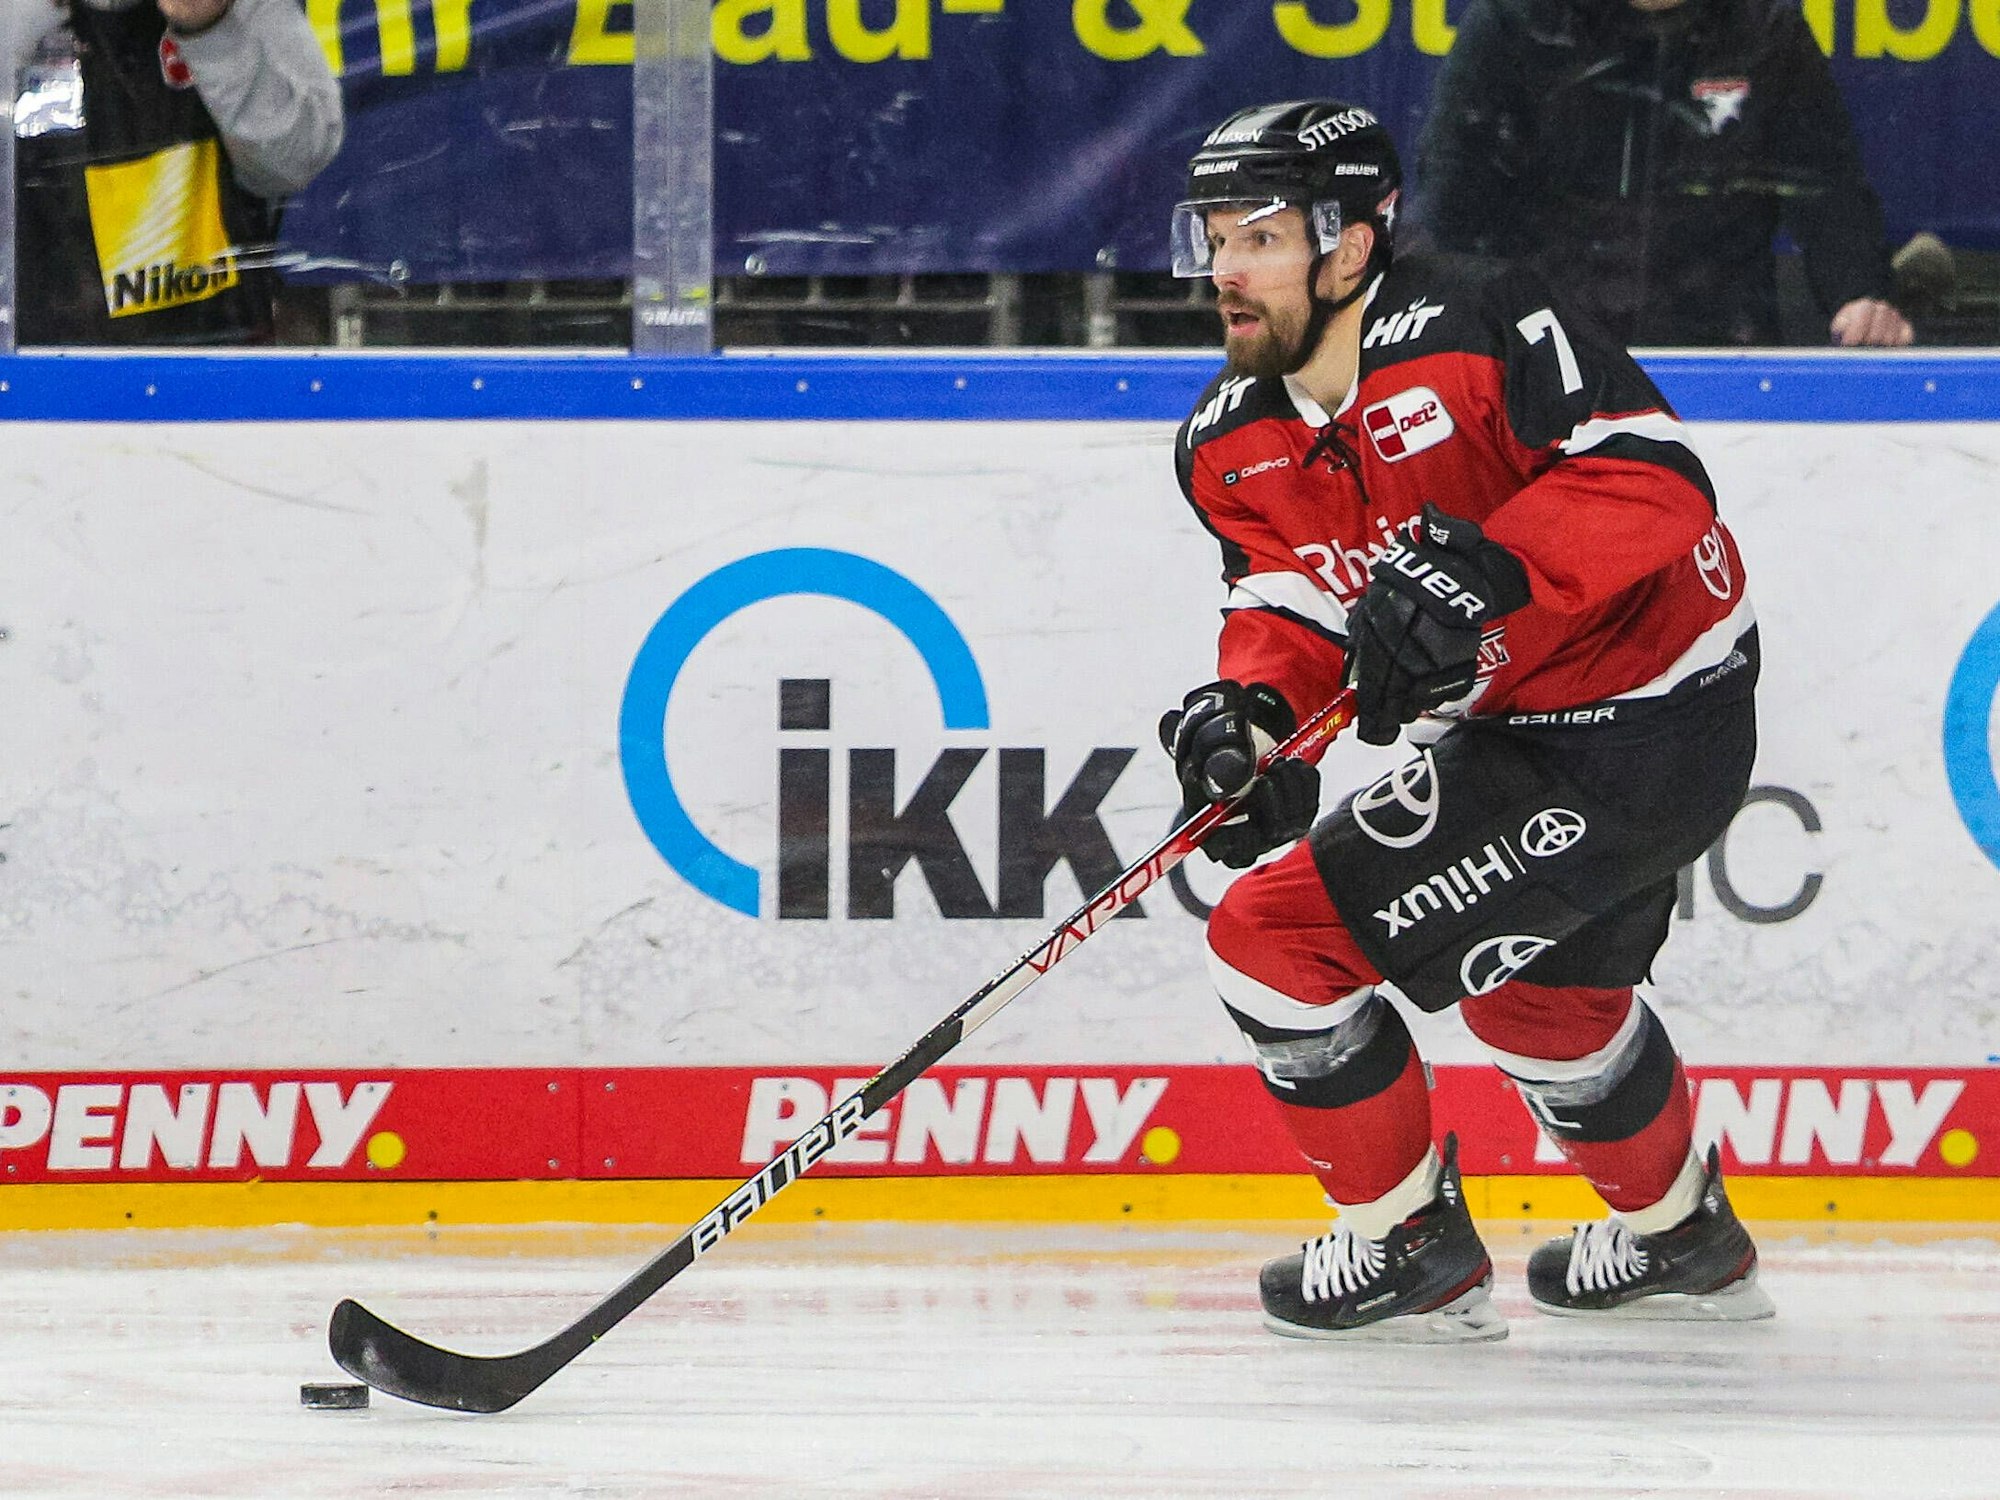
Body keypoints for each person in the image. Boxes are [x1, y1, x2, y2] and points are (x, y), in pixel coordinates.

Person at [1161, 98, 1774, 1340]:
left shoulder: (1477, 323)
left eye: (1259, 236)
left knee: (1268, 942)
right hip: (1545, 731)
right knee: (1537, 1006)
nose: (1223, 269)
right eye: (1213, 236)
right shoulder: (1228, 441)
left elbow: (1651, 478)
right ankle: (1680, 1238)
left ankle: (1404, 1243)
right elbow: (1289, 595)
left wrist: (1487, 565)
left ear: (1350, 243)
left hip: (1643, 719)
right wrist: (1256, 720)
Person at [1411, 0, 1911, 348]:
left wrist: (1860, 294)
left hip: (1717, 358)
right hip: (1541, 352)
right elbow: (1451, 195)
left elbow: (1829, 189)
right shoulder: (1515, 24)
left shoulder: (1766, 32)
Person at [13, 0, 344, 344]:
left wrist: (209, 28)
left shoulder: (249, 8)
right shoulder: (19, 18)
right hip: (31, 364)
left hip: (209, 362)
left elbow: (295, 162)